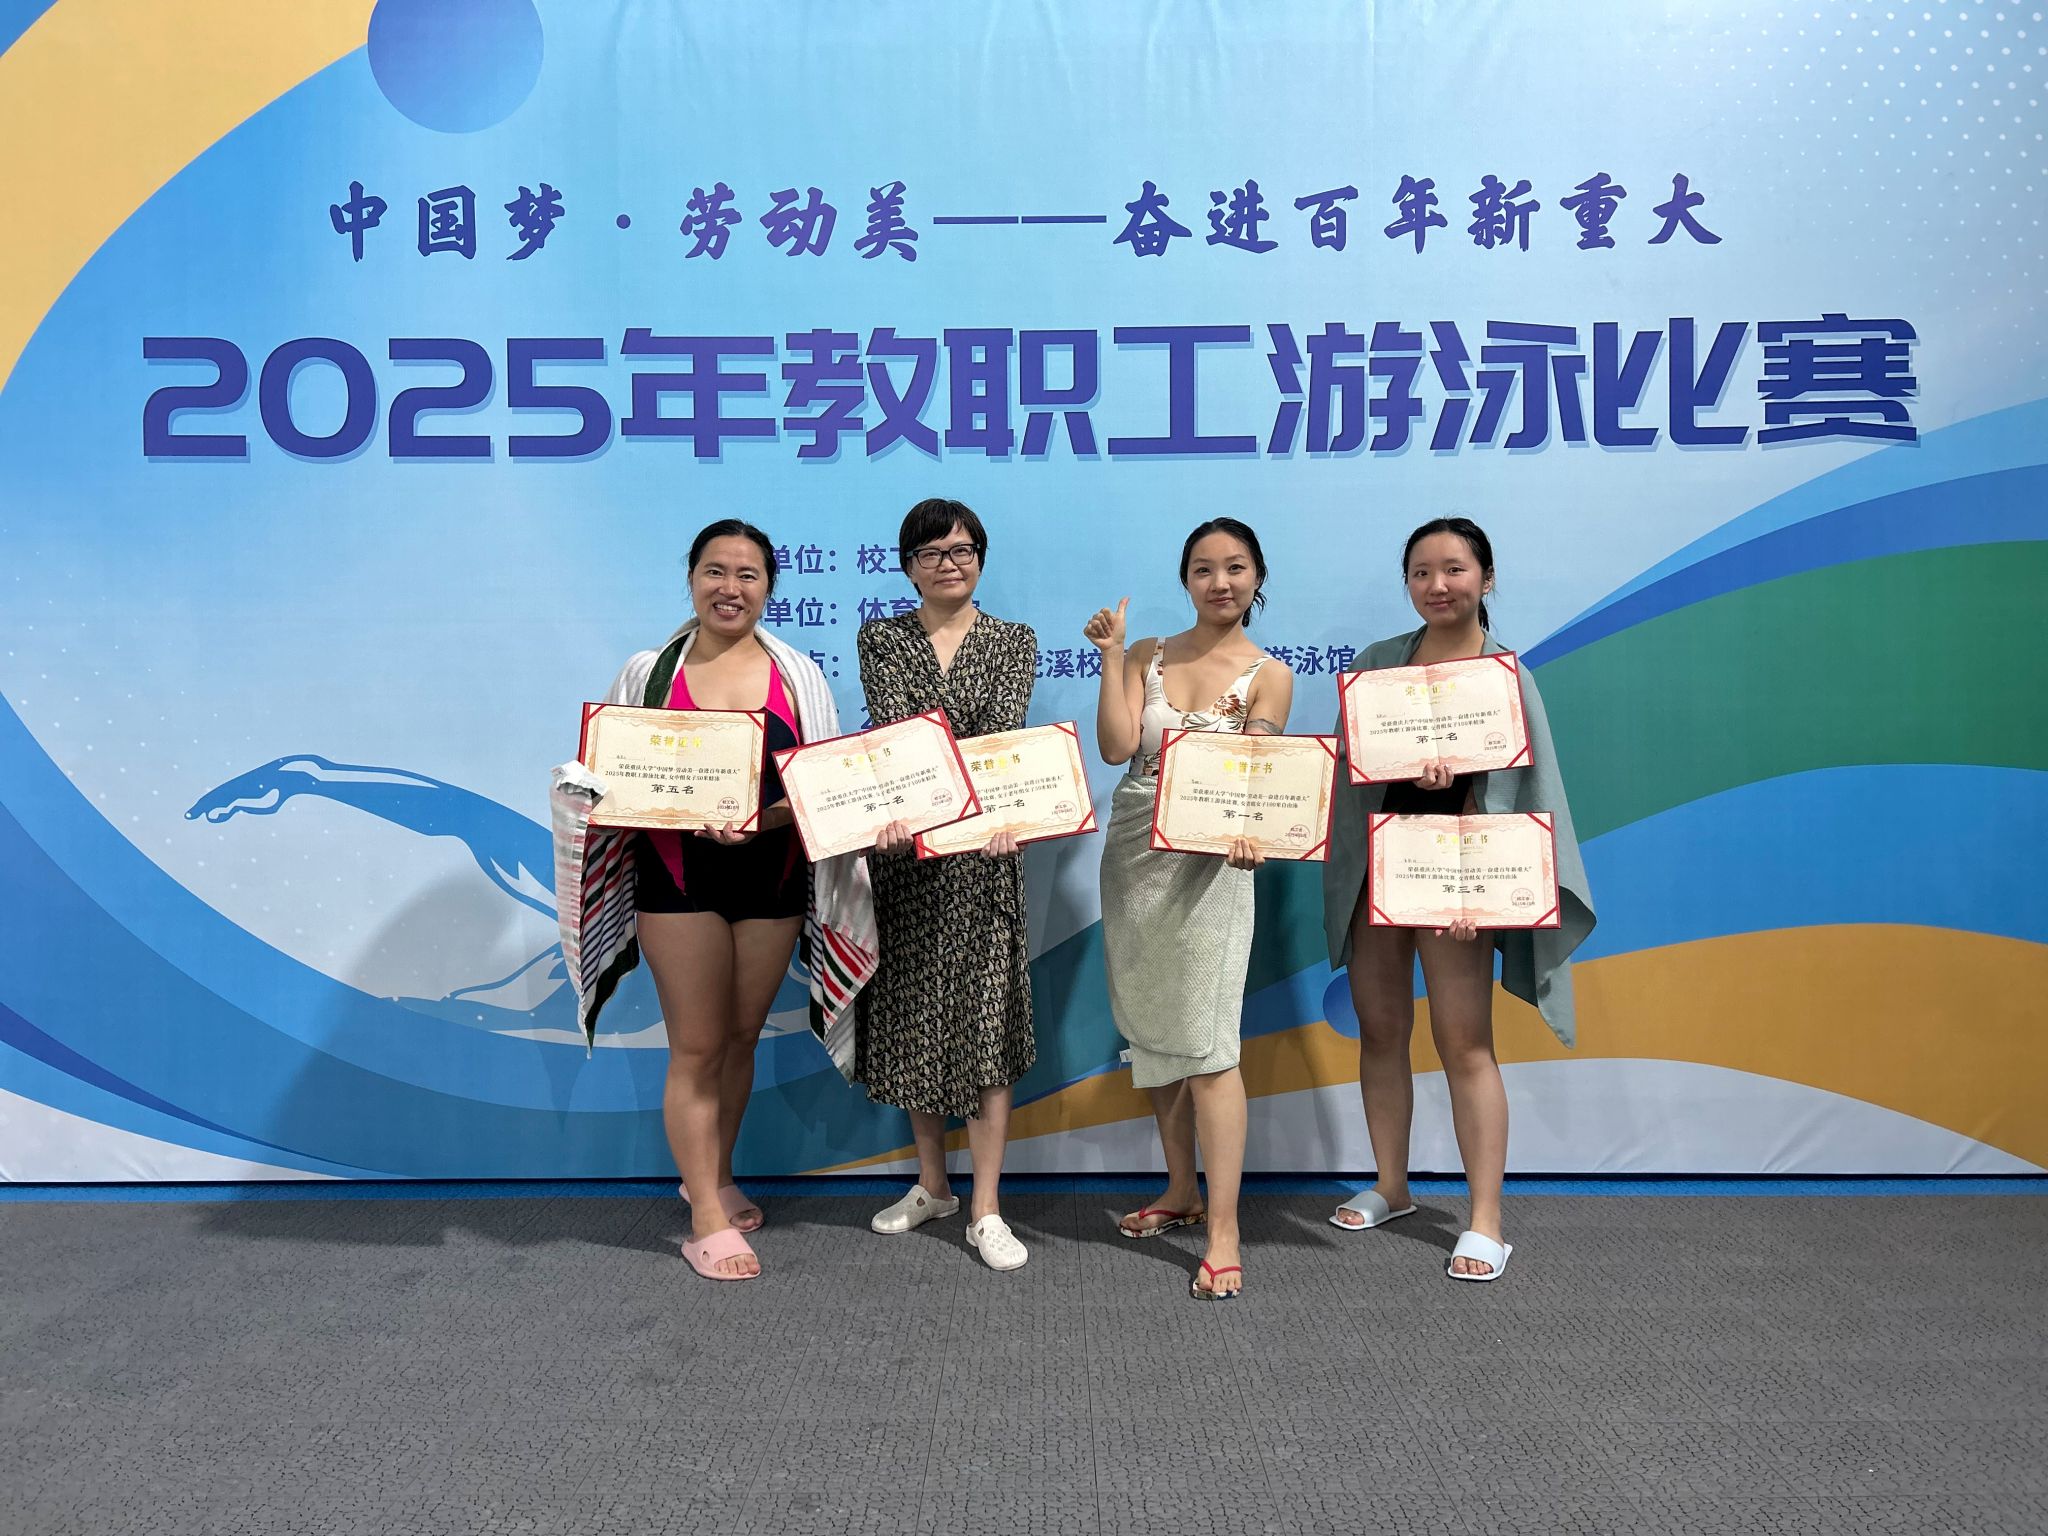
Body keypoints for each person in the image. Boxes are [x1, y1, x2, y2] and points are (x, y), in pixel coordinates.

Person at [549, 519, 877, 1282]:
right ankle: (703, 1219)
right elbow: (605, 777)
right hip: (677, 880)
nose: (731, 588)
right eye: (716, 571)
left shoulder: (798, 675)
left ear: (769, 588)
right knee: (695, 1047)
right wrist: (586, 788)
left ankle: (717, 1178)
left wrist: (764, 821)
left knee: (739, 1040)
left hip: (772, 876)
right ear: (691, 578)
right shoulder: (647, 673)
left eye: (748, 575)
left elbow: (823, 791)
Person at [1321, 516, 1595, 1281]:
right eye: (1421, 573)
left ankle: (1485, 1221)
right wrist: (1399, 765)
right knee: (1381, 1030)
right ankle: (1392, 1185)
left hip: (1461, 878)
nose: (1437, 586)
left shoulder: (1505, 673)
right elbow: (1350, 769)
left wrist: (1481, 844)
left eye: (1454, 570)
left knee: (1465, 1042)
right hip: (1380, 867)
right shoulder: (1378, 664)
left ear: (1487, 577)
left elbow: (1528, 789)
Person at [1082, 517, 1294, 1300]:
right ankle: (1179, 1190)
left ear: (1257, 577)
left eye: (1236, 567)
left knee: (1208, 1044)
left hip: (1214, 859)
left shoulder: (1270, 674)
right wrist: (1112, 657)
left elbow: (1257, 771)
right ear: (1185, 580)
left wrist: (1249, 830)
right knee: (1153, 1031)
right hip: (1134, 852)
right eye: (1204, 569)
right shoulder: (1148, 653)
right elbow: (1117, 749)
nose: (1220, 582)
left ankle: (1224, 1232)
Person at [857, 498, 1038, 1272]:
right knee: (915, 1022)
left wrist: (976, 789)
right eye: (931, 553)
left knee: (987, 1029)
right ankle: (932, 1185)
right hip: (907, 858)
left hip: (988, 855)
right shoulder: (881, 638)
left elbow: (1000, 731)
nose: (949, 564)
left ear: (981, 559)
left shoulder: (1014, 640)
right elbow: (898, 730)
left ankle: (987, 1206)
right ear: (908, 567)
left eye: (963, 550)